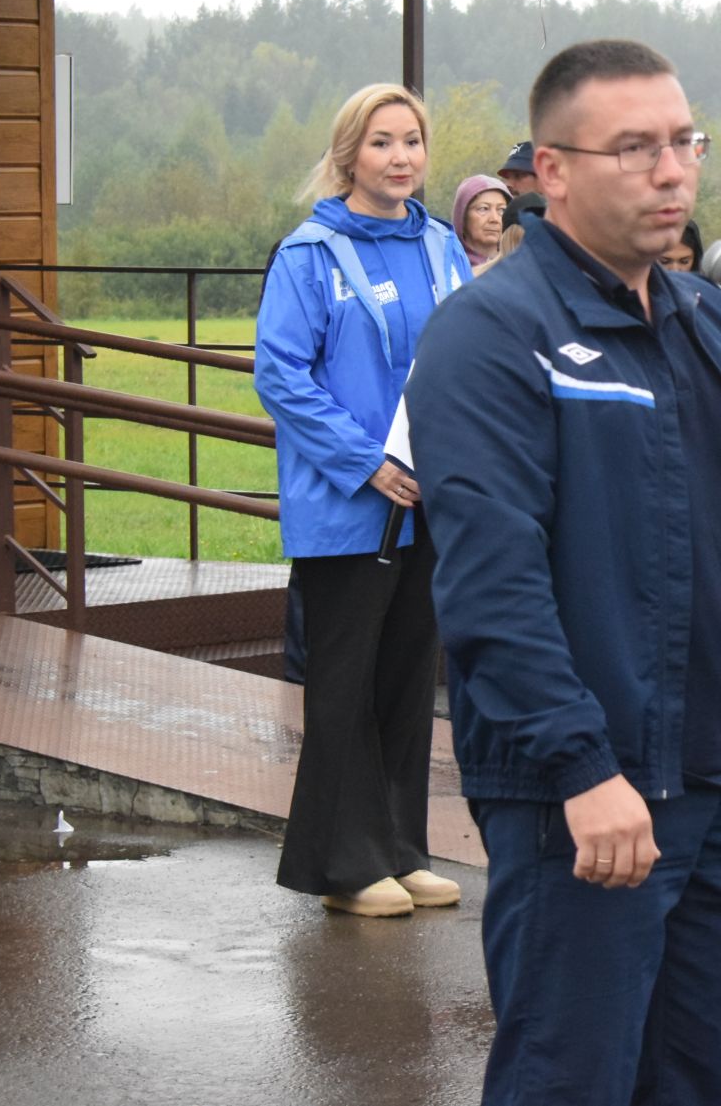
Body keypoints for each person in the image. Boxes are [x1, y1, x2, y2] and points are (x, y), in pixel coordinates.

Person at [405, 39, 721, 1104]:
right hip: (586, 795)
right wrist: (581, 769)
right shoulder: (492, 336)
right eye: (636, 148)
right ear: (554, 170)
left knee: (688, 1079)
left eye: (684, 142)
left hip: (714, 774)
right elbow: (492, 587)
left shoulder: (705, 319)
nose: (673, 171)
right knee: (569, 1082)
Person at [254, 82, 473, 918]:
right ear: (350, 154)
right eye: (382, 142)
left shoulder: (442, 247)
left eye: (412, 141)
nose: (401, 158)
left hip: (430, 499)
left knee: (409, 677)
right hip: (349, 502)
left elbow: (466, 352)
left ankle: (399, 845)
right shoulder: (311, 252)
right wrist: (366, 460)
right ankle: (342, 864)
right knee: (344, 684)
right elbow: (281, 373)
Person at [451, 174, 511, 272]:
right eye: (483, 209)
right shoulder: (447, 268)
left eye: (502, 210)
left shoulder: (519, 267)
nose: (494, 219)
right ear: (462, 215)